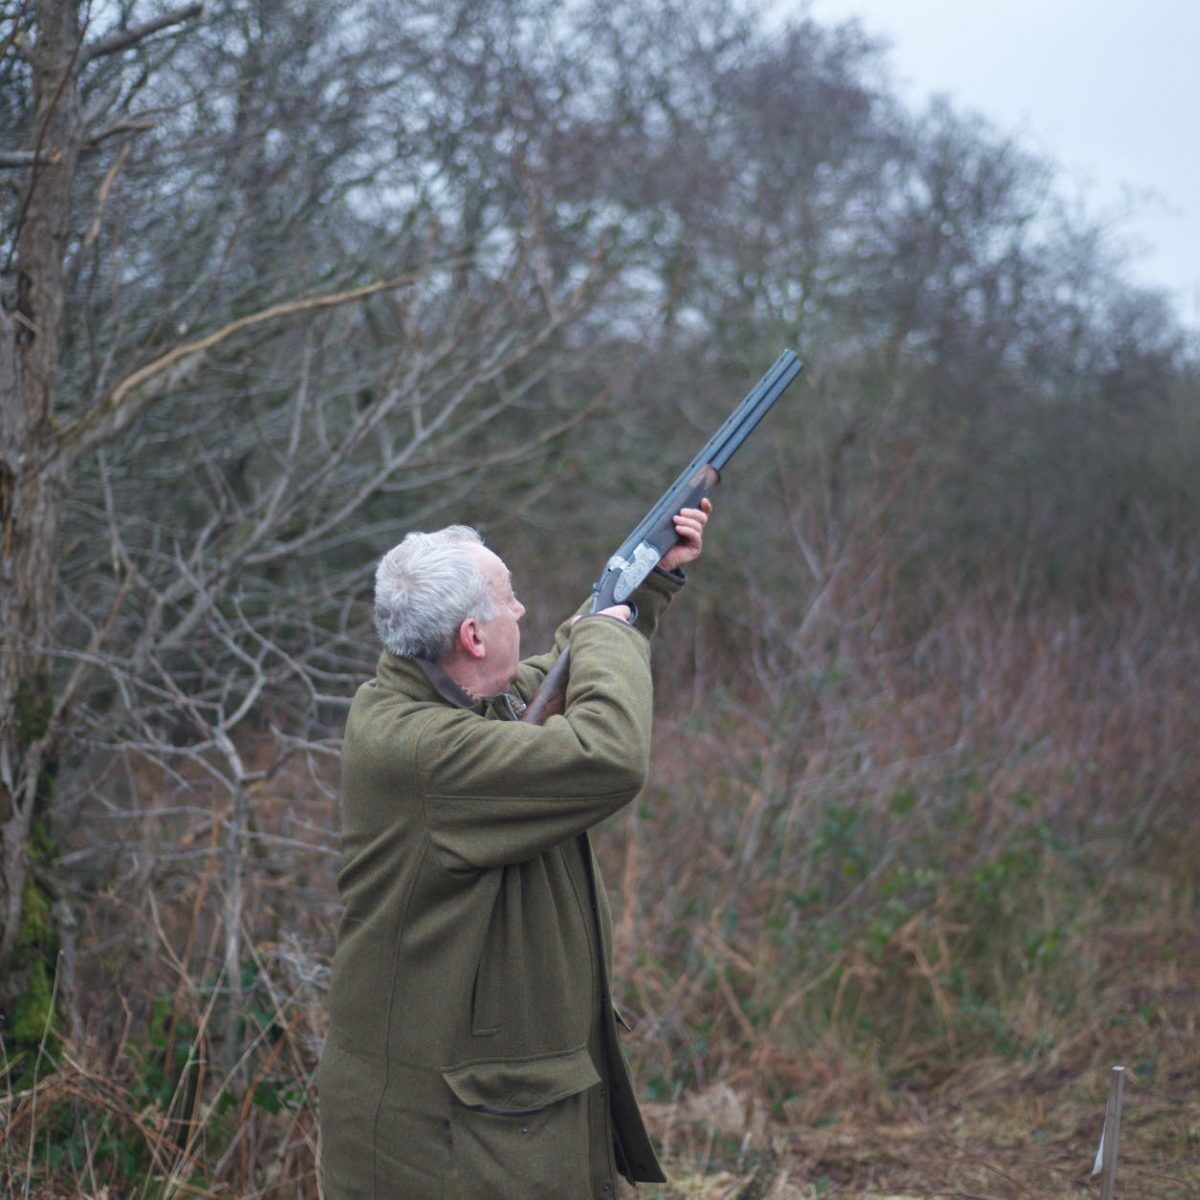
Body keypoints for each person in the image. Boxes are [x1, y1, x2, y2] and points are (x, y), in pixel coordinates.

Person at [317, 502, 711, 1200]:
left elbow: (549, 677)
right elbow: (607, 754)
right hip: (453, 1142)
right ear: (472, 635)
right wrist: (608, 639)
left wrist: (643, 586)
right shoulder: (424, 750)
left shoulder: (454, 703)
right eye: (509, 601)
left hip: (491, 1120)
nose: (524, 610)